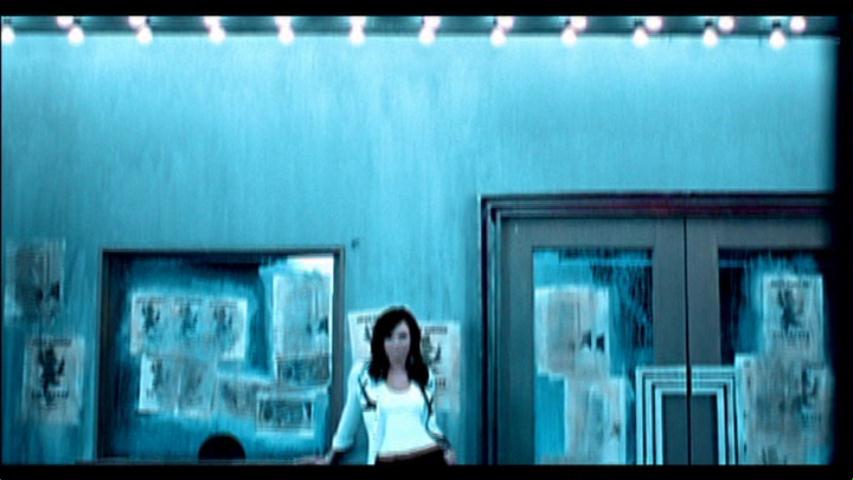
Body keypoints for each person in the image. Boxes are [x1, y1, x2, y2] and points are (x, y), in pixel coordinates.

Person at [315, 306, 456, 466]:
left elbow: (430, 423)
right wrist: (331, 457)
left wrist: (446, 448)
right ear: (380, 341)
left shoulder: (424, 375)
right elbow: (348, 422)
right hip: (386, 458)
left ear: (413, 339)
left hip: (428, 455)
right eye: (389, 337)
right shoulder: (363, 375)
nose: (396, 344)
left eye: (402, 337)